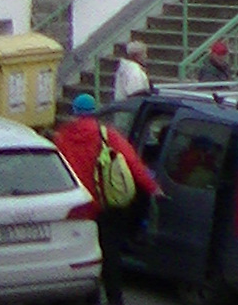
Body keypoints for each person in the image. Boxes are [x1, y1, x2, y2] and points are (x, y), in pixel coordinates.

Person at [53, 94, 160, 305]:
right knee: (110, 255)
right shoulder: (106, 135)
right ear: (95, 111)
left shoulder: (62, 137)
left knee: (83, 258)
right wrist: (153, 188)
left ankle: (89, 298)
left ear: (74, 112)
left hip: (79, 209)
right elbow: (132, 163)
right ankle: (114, 299)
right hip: (107, 206)